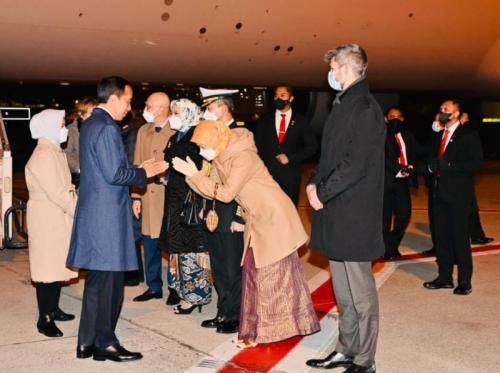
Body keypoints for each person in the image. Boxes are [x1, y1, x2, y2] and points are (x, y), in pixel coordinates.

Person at [172, 119, 320, 348]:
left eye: (203, 146)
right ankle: (276, 325)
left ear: (217, 140)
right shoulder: (222, 156)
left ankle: (271, 330)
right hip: (258, 218)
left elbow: (226, 194)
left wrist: (193, 175)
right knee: (256, 272)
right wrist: (194, 175)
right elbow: (210, 187)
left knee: (268, 274)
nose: (202, 151)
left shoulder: (242, 157)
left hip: (273, 217)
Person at [66, 76, 168, 362]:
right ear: (113, 99)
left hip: (96, 215)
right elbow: (115, 174)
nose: (129, 107)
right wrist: (142, 173)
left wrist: (136, 167)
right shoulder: (108, 127)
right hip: (107, 219)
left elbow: (106, 168)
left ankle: (86, 342)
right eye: (127, 100)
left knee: (97, 283)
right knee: (111, 286)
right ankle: (105, 344)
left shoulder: (90, 124)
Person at [305, 44, 385, 373]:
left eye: (335, 67)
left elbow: (355, 165)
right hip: (337, 213)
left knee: (361, 295)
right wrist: (312, 181)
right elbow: (330, 157)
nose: (331, 74)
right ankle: (345, 349)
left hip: (354, 216)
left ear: (347, 69)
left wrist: (321, 192)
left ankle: (364, 361)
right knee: (343, 292)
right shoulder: (343, 104)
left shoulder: (365, 107)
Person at [25, 109, 78, 337]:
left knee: (56, 265)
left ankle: (53, 309)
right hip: (48, 217)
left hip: (55, 216)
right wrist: (80, 212)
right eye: (61, 124)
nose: (64, 128)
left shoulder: (53, 150)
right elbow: (58, 192)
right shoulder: (45, 154)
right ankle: (44, 318)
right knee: (46, 270)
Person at [196, 88, 245, 334]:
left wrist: (241, 215)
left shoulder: (240, 136)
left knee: (232, 264)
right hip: (215, 206)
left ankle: (235, 315)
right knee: (218, 262)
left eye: (210, 107)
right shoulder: (214, 135)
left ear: (223, 107)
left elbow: (247, 181)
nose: (207, 112)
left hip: (232, 208)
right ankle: (223, 311)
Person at [423, 100, 483, 295]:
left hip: (458, 196)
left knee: (459, 238)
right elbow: (429, 155)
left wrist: (448, 166)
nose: (441, 112)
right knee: (441, 238)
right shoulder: (439, 134)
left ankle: (465, 280)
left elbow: (475, 163)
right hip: (438, 193)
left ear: (456, 114)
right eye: (440, 109)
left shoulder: (469, 135)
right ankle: (445, 277)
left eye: (445, 110)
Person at [158, 98, 212, 314]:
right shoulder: (174, 138)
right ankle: (179, 290)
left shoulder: (197, 137)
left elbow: (204, 168)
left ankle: (194, 296)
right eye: (173, 112)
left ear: (189, 114)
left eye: (178, 113)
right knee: (176, 247)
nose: (173, 117)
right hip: (173, 199)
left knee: (191, 247)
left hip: (191, 200)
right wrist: (166, 176)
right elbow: (169, 164)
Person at [131, 92, 175, 303]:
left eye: (149, 105)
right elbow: (138, 163)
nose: (145, 108)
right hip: (148, 195)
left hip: (169, 196)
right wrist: (135, 196)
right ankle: (154, 286)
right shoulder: (143, 130)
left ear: (162, 108)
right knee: (149, 244)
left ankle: (175, 288)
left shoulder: (177, 129)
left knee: (172, 244)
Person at [254, 85, 317, 205]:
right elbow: (257, 145)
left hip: (290, 179)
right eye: (276, 96)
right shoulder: (265, 120)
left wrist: (290, 158)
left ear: (291, 99)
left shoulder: (301, 121)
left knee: (289, 215)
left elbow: (311, 147)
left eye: (283, 96)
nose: (278, 99)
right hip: (267, 177)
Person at [382, 107, 419, 260]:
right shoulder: (380, 135)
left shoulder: (408, 135)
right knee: (384, 219)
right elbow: (380, 156)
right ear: (386, 119)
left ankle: (392, 244)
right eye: (391, 116)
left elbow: (417, 153)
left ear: (402, 119)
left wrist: (412, 167)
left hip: (403, 182)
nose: (395, 119)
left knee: (404, 215)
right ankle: (386, 249)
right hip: (385, 181)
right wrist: (399, 169)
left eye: (398, 116)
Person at [64, 97, 97, 188]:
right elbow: (66, 154)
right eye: (91, 114)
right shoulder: (71, 130)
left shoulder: (99, 128)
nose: (94, 117)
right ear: (81, 114)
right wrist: (80, 169)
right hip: (81, 179)